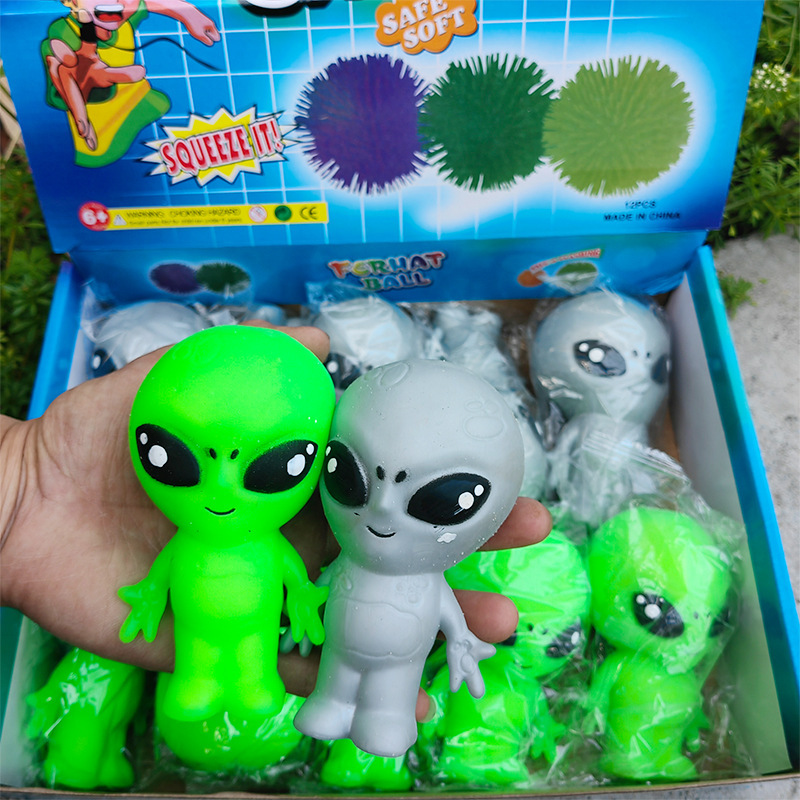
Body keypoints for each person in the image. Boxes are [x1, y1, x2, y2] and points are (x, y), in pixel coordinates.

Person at [0, 322, 551, 717]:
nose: (221, 490)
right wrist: (148, 594)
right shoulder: (206, 535)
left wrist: (311, 602)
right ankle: (211, 683)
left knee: (275, 663)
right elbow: (200, 571)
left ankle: (296, 692)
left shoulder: (355, 555)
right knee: (204, 653)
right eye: (174, 457)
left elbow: (306, 579)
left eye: (271, 468)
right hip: (204, 615)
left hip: (311, 626)